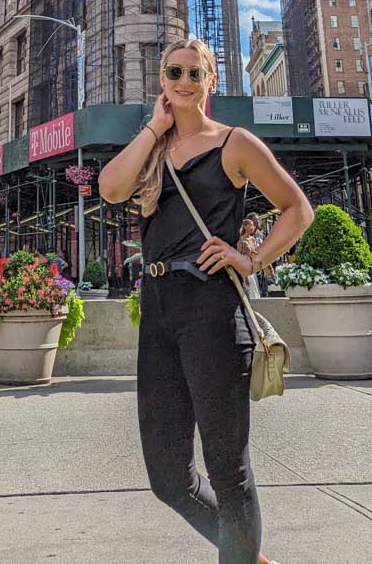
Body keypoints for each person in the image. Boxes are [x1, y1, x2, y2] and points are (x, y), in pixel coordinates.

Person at [99, 37, 314, 564]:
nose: (185, 82)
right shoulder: (152, 150)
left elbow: (297, 209)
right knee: (168, 478)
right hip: (158, 313)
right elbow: (109, 188)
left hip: (212, 312)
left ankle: (240, 556)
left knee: (227, 468)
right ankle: (246, 554)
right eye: (175, 73)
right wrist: (155, 126)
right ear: (162, 82)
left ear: (211, 82)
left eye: (196, 74)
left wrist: (252, 258)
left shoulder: (233, 143)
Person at [237, 215, 263, 300]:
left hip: (253, 268)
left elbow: (256, 253)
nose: (253, 227)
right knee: (248, 290)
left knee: (255, 290)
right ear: (245, 226)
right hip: (245, 268)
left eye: (253, 225)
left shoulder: (252, 239)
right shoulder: (241, 240)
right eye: (250, 225)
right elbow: (239, 256)